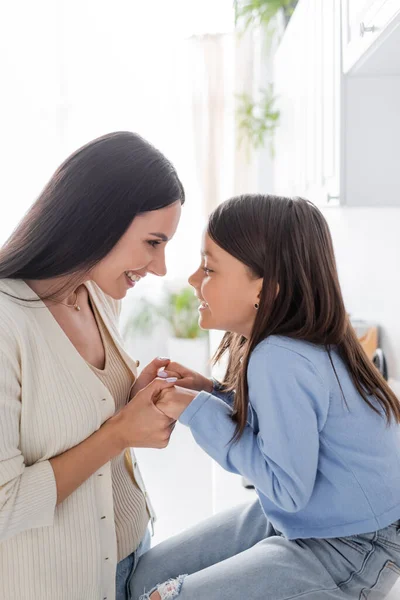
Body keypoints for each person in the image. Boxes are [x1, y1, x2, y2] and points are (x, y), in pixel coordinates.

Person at [129, 194, 400, 600]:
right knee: (144, 577)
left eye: (209, 268)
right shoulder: (291, 344)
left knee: (161, 596)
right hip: (308, 518)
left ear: (265, 288)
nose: (191, 280)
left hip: (351, 547)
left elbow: (287, 488)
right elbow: (290, 425)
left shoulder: (278, 356)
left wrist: (196, 410)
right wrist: (213, 393)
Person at [0, 131, 185, 600]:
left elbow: (75, 413)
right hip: (64, 581)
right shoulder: (7, 322)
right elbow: (4, 505)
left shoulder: (98, 294)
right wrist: (121, 431)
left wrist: (132, 400)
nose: (160, 267)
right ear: (101, 220)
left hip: (133, 551)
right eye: (153, 242)